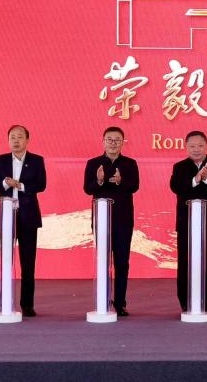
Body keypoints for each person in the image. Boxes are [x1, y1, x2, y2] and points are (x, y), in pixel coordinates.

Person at [0, 125, 46, 317]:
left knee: (28, 263)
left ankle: (27, 305)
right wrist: (5, 183)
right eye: (12, 137)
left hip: (28, 216)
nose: (16, 140)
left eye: (20, 137)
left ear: (27, 140)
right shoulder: (0, 160)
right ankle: (3, 302)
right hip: (6, 215)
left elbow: (41, 185)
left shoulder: (36, 160)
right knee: (5, 261)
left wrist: (20, 186)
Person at [83, 126, 140, 317]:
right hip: (101, 219)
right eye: (109, 139)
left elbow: (135, 186)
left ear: (123, 142)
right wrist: (99, 181)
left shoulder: (130, 164)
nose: (113, 143)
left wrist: (120, 181)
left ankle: (120, 303)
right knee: (103, 262)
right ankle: (103, 300)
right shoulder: (93, 163)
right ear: (103, 142)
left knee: (122, 262)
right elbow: (87, 188)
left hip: (123, 220)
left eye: (117, 140)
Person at [170, 131, 207, 314]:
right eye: (192, 146)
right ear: (186, 147)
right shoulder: (179, 167)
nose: (196, 149)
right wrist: (196, 180)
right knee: (185, 262)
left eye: (200, 145)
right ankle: (185, 301)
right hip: (186, 224)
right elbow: (176, 187)